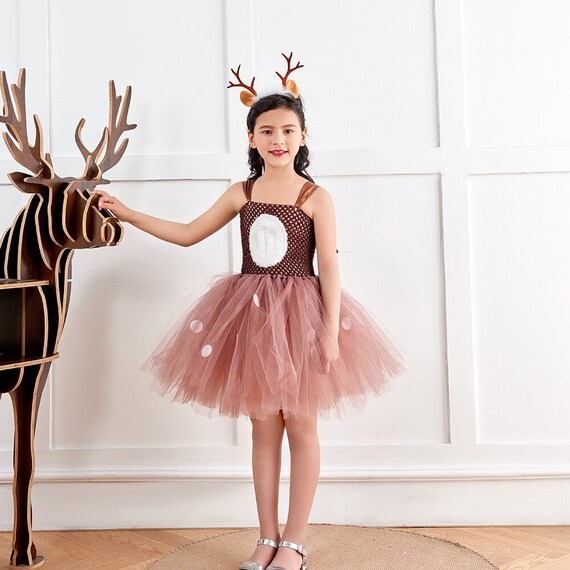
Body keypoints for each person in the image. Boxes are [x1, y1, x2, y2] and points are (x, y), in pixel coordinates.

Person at [96, 53, 405, 570]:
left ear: (303, 136)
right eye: (266, 130)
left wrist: (329, 332)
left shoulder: (315, 196)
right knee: (264, 428)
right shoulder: (242, 193)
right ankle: (266, 536)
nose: (277, 138)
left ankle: (296, 541)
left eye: (287, 129)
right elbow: (188, 233)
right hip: (252, 320)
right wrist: (127, 212)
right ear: (251, 139)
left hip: (303, 319)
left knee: (302, 424)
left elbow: (328, 266)